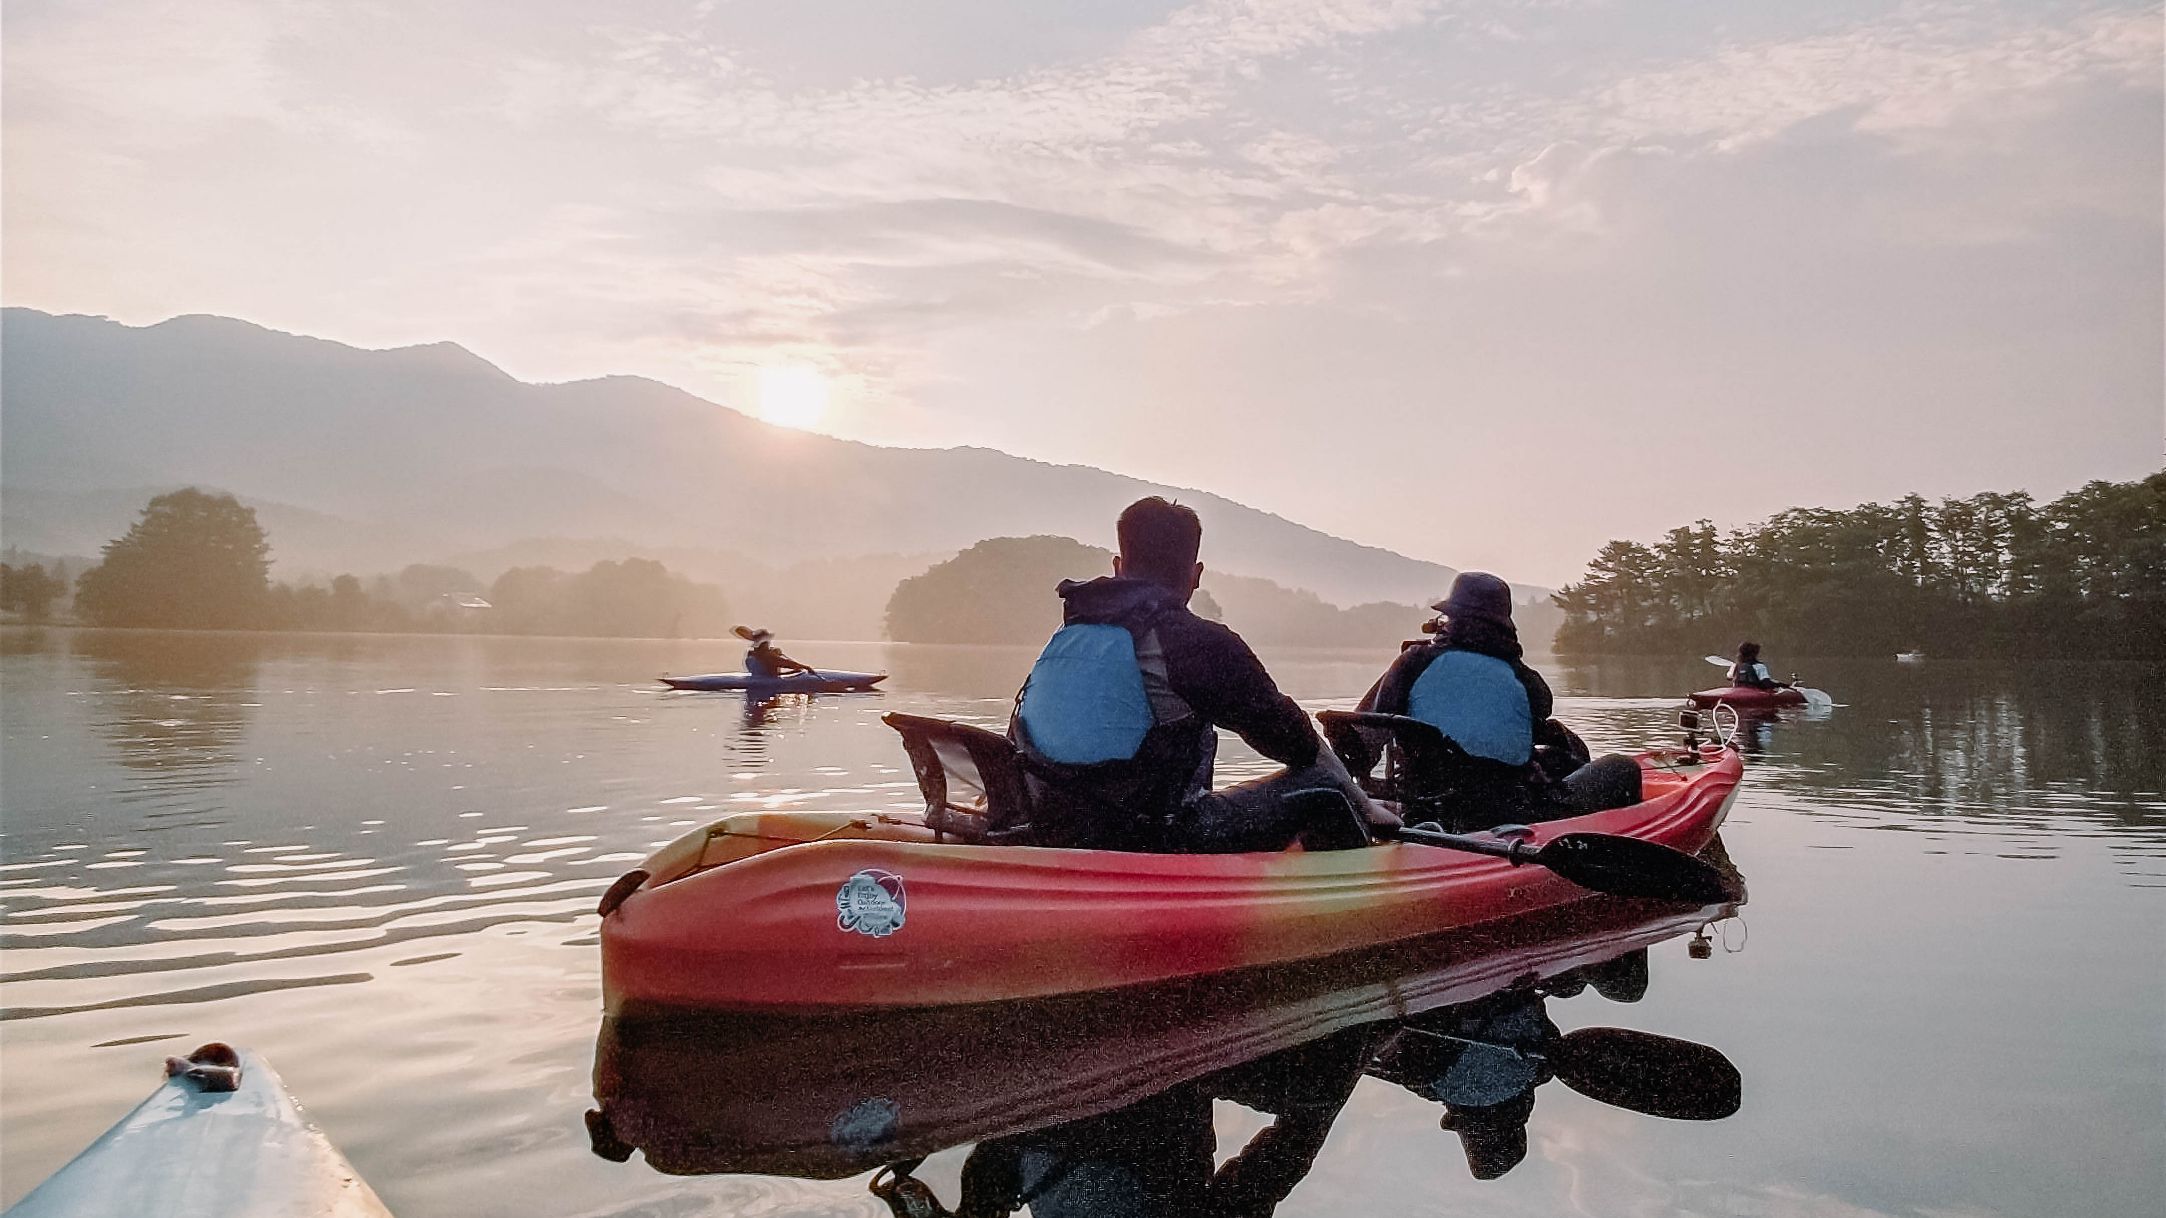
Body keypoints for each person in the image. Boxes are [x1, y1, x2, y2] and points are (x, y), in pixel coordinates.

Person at [1009, 496, 1395, 853]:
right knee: (1328, 789)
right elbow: (1297, 745)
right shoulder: (1198, 642)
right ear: (1195, 574)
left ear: (1118, 567)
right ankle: (1358, 899)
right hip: (1152, 839)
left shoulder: (1071, 630)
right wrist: (1363, 803)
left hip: (1047, 821)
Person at [1357, 572, 1640, 825]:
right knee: (1622, 767)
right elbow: (1518, 730)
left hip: (1424, 813)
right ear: (1504, 628)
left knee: (1553, 758)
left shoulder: (1412, 663)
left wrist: (1364, 798)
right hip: (1512, 813)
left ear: (1450, 621)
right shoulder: (1526, 681)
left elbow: (1360, 735)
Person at [735, 626, 811, 679]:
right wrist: (805, 667)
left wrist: (775, 652)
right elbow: (784, 662)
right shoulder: (768, 656)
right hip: (768, 689)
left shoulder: (753, 653)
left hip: (757, 682)